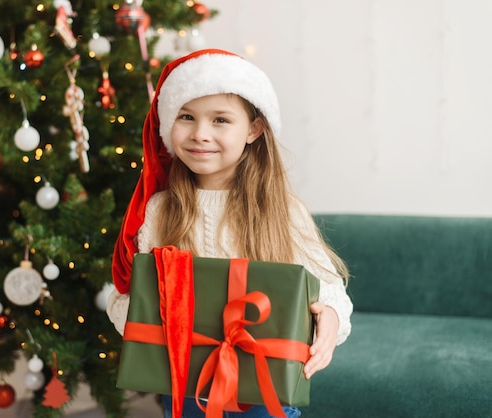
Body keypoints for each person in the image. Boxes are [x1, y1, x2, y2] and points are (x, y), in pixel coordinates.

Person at [107, 49, 353, 418]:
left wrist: (330, 318)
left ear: (254, 129)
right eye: (186, 117)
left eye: (220, 119)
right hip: (185, 388)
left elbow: (328, 287)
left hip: (264, 392)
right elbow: (127, 298)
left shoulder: (281, 210)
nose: (200, 134)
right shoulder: (158, 212)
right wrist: (149, 318)